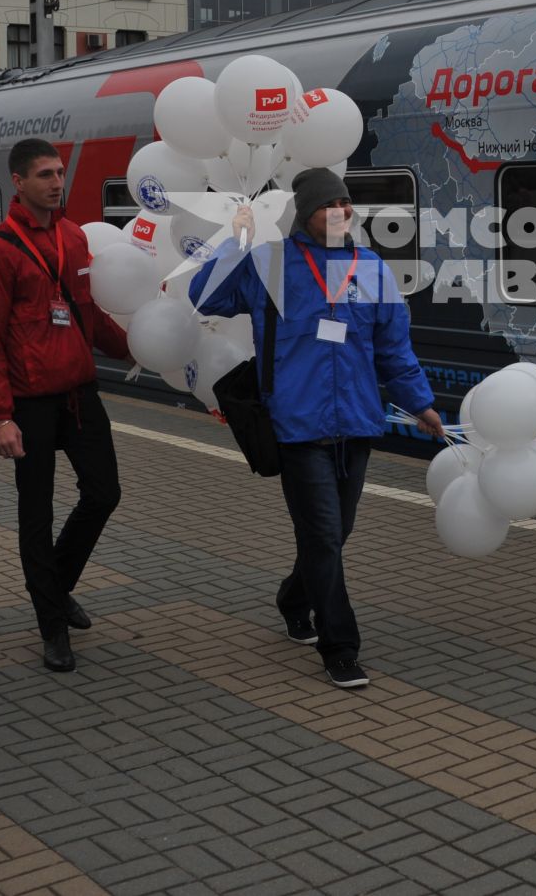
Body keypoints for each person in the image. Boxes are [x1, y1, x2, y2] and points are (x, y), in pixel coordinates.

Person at [191, 167, 444, 689]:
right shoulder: (272, 261)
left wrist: (421, 405)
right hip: (297, 424)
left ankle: (292, 598)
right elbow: (206, 296)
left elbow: (393, 351)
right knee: (324, 535)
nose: (339, 212)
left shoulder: (371, 268)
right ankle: (341, 646)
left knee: (336, 533)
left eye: (345, 204)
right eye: (328, 205)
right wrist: (236, 240)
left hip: (355, 422)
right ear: (305, 213)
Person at [0, 138, 130, 673]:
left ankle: (53, 590)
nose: (56, 182)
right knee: (35, 514)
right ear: (18, 182)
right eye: (43, 175)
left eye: (59, 173)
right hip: (28, 402)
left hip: (79, 394)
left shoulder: (74, 238)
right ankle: (51, 626)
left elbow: (90, 313)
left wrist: (138, 345)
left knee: (104, 493)